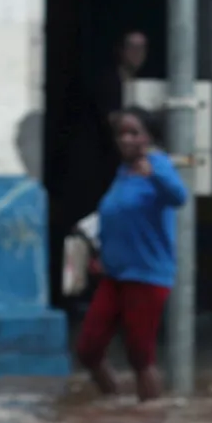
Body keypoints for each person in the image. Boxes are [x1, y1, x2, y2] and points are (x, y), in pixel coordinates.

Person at [77, 107, 188, 402]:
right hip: (114, 274)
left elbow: (179, 196)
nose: (126, 140)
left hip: (146, 275)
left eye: (134, 133)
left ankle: (150, 420)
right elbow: (115, 215)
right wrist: (101, 254)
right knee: (88, 349)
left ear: (148, 137)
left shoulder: (157, 164)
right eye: (121, 134)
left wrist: (154, 175)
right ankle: (115, 406)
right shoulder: (122, 172)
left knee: (140, 355)